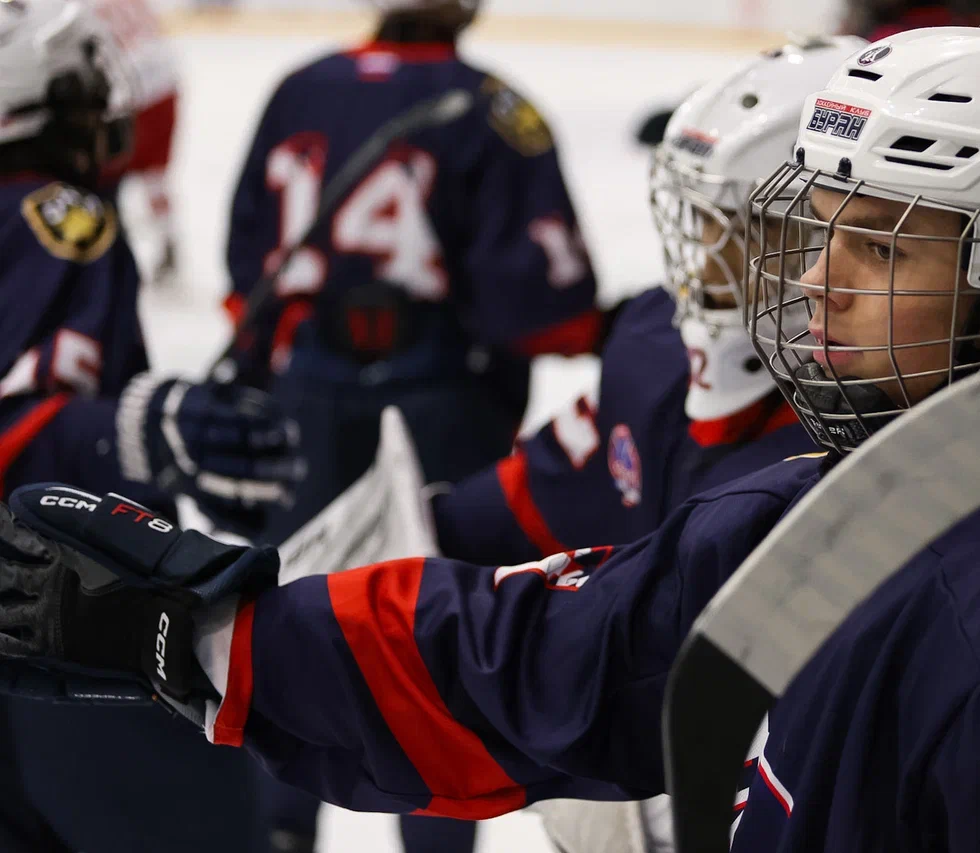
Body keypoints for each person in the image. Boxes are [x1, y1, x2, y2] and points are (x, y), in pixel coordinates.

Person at [0, 28, 980, 853]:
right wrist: (202, 627)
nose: (812, 286)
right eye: (812, 235)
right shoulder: (813, 509)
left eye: (878, 246)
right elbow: (529, 661)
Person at [223, 0, 600, 849]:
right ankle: (435, 832)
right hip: (442, 398)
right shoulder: (494, 106)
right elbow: (547, 306)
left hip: (306, 393)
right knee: (431, 633)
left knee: (279, 611)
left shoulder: (301, 88)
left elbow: (246, 268)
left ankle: (274, 828)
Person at [0, 1, 301, 850]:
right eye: (81, 91)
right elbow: (22, 434)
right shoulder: (59, 217)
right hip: (49, 606)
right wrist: (138, 426)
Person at [431, 37, 859, 568]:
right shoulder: (655, 339)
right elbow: (516, 506)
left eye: (760, 229)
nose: (706, 266)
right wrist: (422, 532)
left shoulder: (878, 438)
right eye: (705, 221)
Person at [92, 0, 183, 287]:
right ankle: (167, 239)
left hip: (127, 94)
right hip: (163, 87)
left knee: (105, 177)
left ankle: (109, 250)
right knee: (154, 174)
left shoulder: (80, 7)